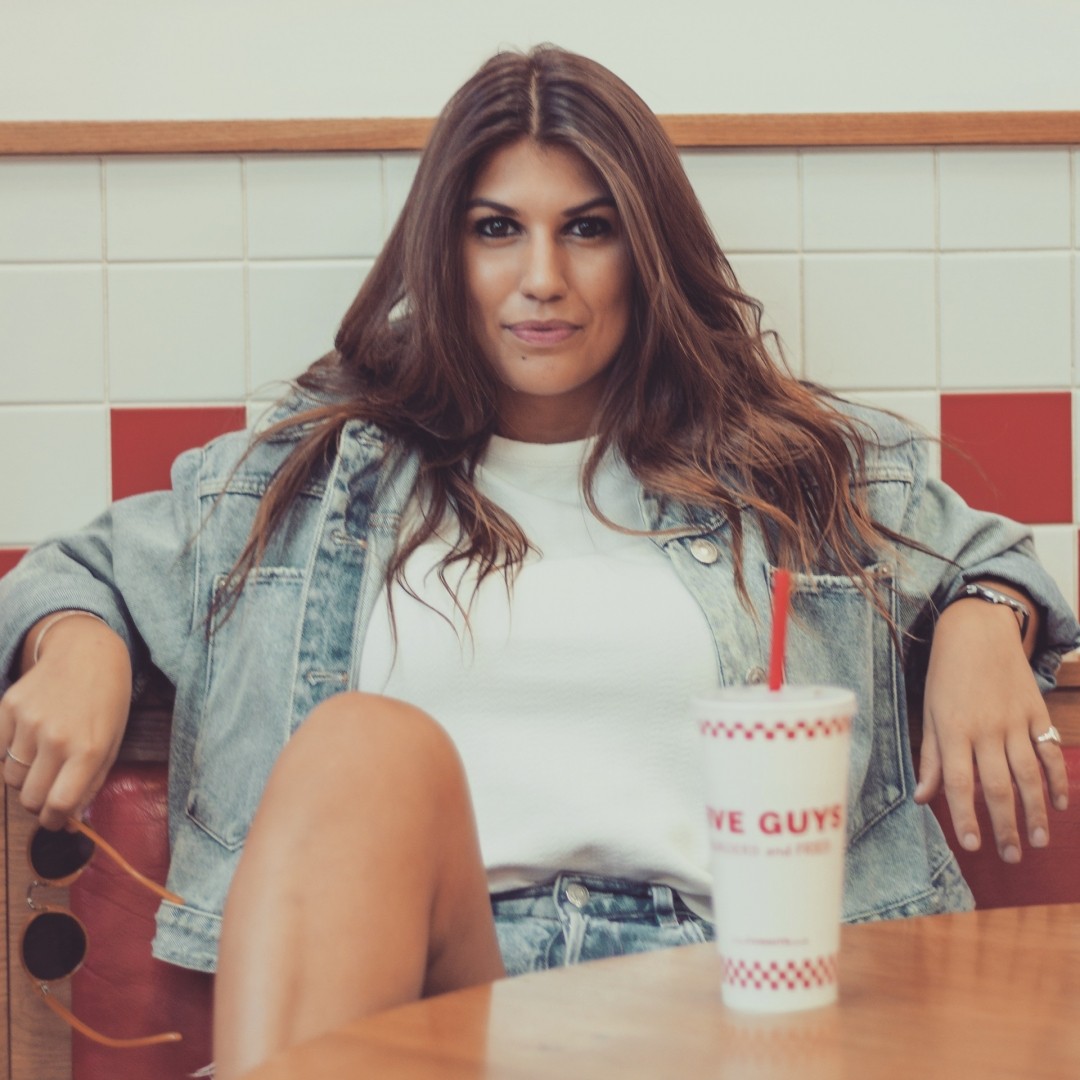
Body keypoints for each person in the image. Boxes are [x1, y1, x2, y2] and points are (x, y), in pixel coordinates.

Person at [0, 44, 1077, 1078]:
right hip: (422, 1008)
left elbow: (989, 556)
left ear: (645, 252)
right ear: (444, 252)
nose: (543, 278)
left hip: (726, 1001)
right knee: (363, 751)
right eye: (497, 229)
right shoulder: (306, 483)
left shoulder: (791, 476)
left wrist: (987, 616)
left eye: (589, 229)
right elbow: (74, 570)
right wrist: (74, 639)